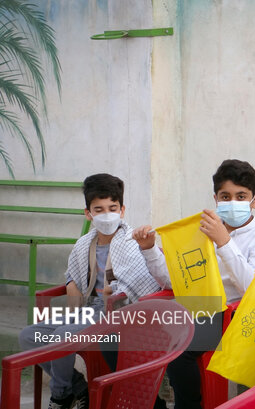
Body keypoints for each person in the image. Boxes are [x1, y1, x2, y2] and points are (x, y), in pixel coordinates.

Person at [134, 159, 255, 409]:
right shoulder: (204, 233)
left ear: (254, 201)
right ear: (216, 199)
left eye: (241, 196)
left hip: (232, 316)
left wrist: (224, 244)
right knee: (121, 338)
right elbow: (175, 278)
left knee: (178, 352)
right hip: (196, 307)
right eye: (225, 196)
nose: (233, 202)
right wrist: (149, 250)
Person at [19, 173, 162, 409]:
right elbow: (72, 276)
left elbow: (141, 283)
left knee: (62, 335)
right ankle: (77, 388)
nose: (107, 215)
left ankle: (60, 397)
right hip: (89, 309)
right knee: (29, 336)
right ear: (88, 213)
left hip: (118, 311)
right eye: (99, 209)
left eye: (112, 208)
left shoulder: (133, 241)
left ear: (122, 210)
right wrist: (73, 292)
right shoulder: (85, 243)